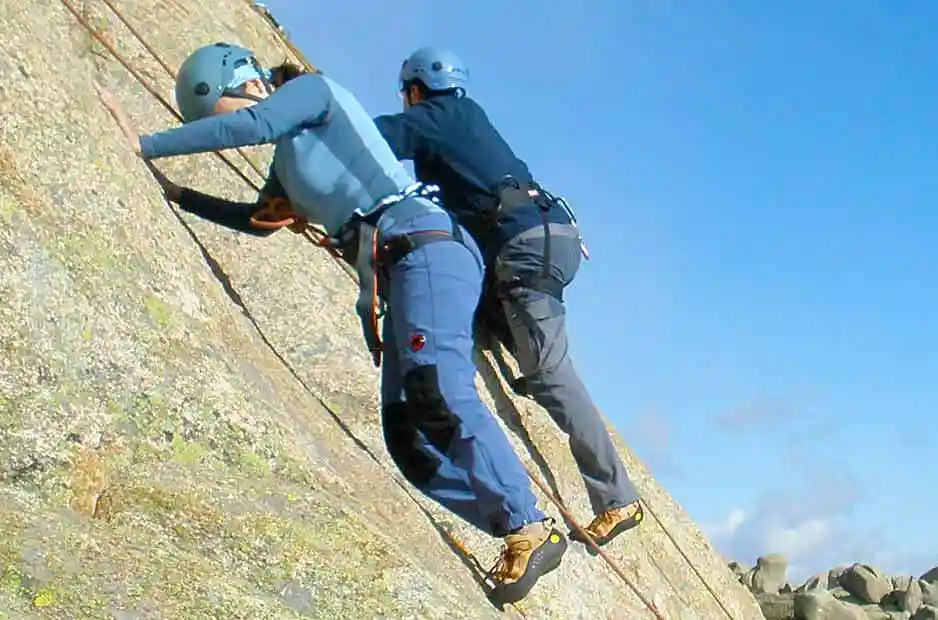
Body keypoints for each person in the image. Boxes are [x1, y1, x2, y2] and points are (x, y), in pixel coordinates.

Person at [91, 41, 566, 602]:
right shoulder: (289, 169)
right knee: (408, 439)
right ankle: (514, 525)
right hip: (404, 267)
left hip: (427, 247)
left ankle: (526, 522)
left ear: (241, 82)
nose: (225, 125)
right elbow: (259, 221)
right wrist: (178, 195)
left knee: (436, 389)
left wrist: (143, 144)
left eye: (218, 110)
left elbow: (251, 125)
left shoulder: (310, 94)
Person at [371, 46, 645, 547]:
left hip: (523, 248)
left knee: (548, 372)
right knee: (488, 318)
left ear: (414, 90)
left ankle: (617, 498)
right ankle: (501, 329)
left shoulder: (437, 116)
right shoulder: (467, 118)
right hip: (541, 237)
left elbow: (368, 140)